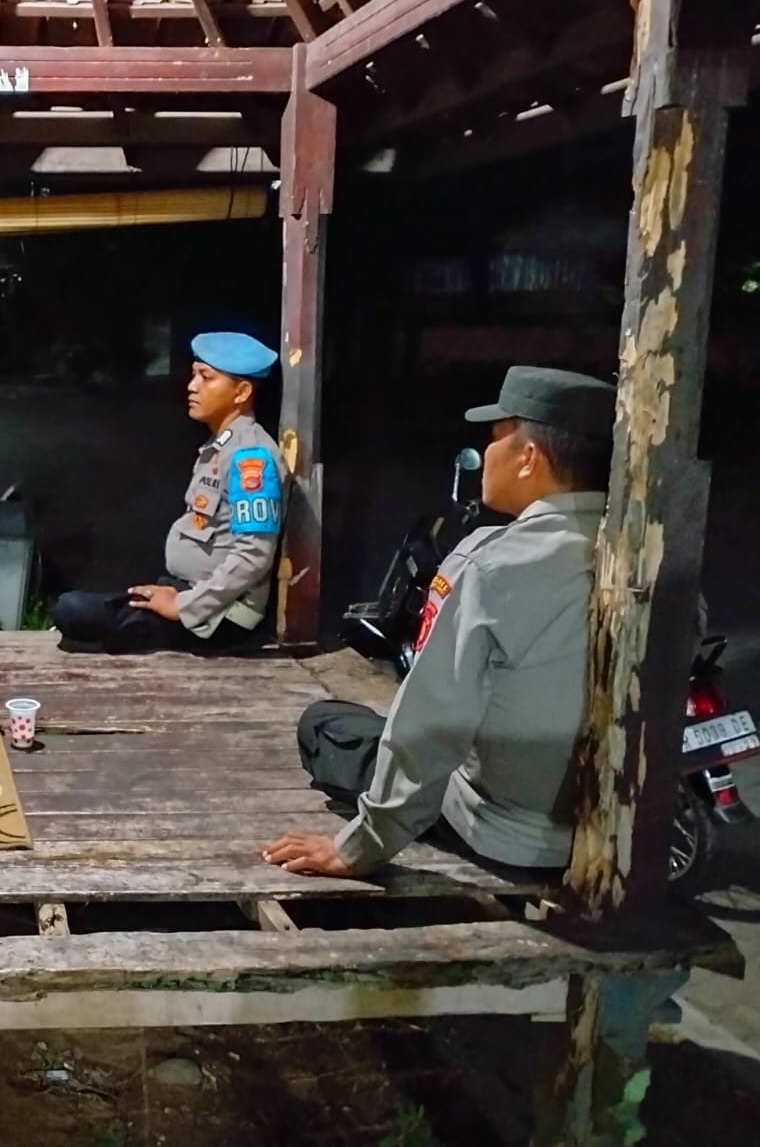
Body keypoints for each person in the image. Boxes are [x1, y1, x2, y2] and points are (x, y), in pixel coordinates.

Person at [263, 365, 616, 878]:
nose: (485, 454)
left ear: (528, 458)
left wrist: (358, 847)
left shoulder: (492, 562)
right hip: (609, 831)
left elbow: (431, 725)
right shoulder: (640, 557)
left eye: (494, 438)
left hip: (503, 831)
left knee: (326, 723)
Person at [51, 331, 286, 654]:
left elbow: (253, 556)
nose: (192, 387)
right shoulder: (220, 447)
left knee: (73, 611)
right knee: (85, 609)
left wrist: (184, 606)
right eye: (194, 375)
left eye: (206, 378)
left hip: (219, 615)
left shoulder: (251, 458)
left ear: (241, 392)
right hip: (193, 594)